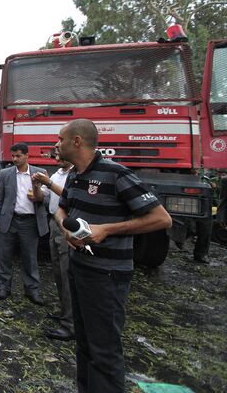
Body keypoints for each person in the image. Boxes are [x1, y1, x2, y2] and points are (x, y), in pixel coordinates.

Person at [54, 119, 171, 393]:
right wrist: (65, 229)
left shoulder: (116, 174)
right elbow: (62, 209)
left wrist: (107, 229)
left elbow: (161, 218)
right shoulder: (74, 175)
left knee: (104, 351)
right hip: (79, 268)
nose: (56, 144)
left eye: (60, 139)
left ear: (77, 141)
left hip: (106, 276)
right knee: (83, 344)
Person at [0, 142, 49, 304]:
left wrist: (39, 194)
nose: (15, 159)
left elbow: (48, 198)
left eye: (18, 156)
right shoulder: (5, 174)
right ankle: (3, 287)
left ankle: (32, 290)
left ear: (27, 155)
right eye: (13, 156)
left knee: (30, 258)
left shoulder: (40, 173)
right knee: (4, 256)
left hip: (30, 222)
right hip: (9, 220)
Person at [33, 154, 75, 341]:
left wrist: (48, 183)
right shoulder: (57, 174)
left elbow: (70, 197)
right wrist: (37, 186)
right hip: (53, 223)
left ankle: (71, 324)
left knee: (67, 273)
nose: (57, 155)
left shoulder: (75, 175)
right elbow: (42, 198)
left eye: (60, 150)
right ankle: (65, 312)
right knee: (58, 271)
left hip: (66, 226)